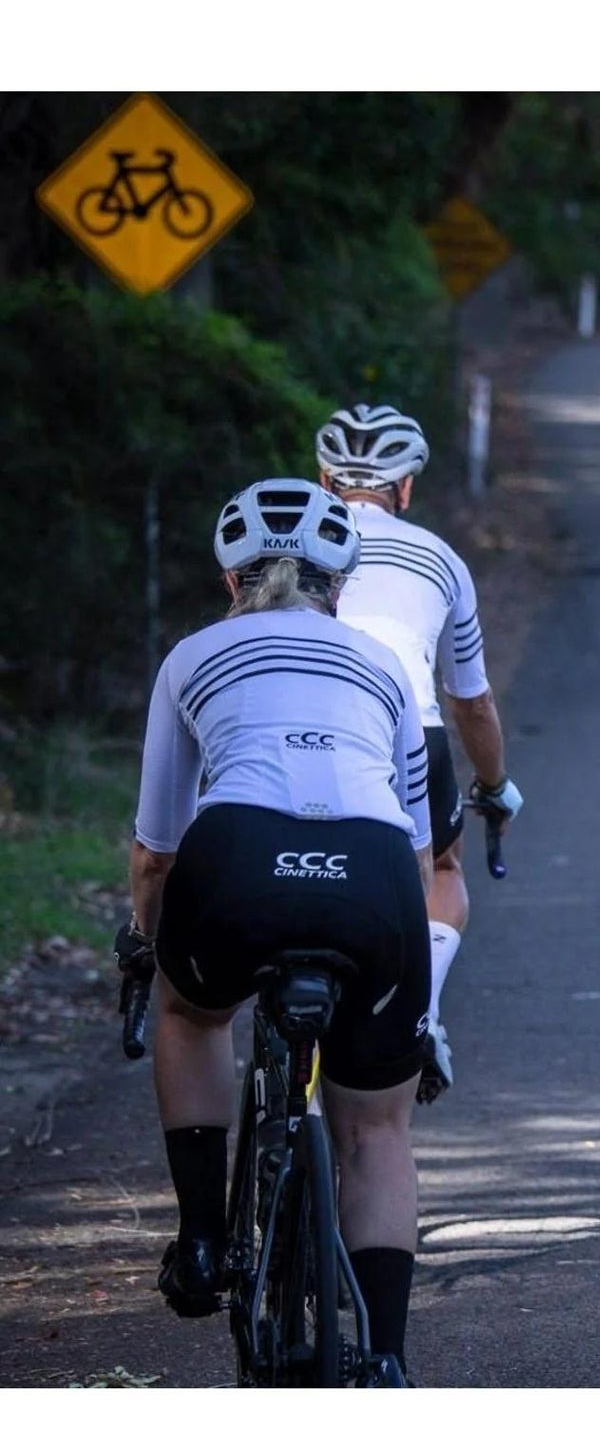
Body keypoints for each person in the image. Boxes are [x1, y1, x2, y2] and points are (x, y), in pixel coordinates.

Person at [118, 481, 435, 1380]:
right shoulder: (383, 666)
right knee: (377, 1130)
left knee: (192, 1014)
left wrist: (150, 946)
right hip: (375, 874)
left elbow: (156, 853)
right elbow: (419, 856)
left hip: (239, 860)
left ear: (231, 581)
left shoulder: (193, 656)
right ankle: (385, 1360)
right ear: (343, 585)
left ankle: (203, 1243)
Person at [316, 403, 523, 1100]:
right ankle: (420, 1010)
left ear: (323, 481)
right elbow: (472, 701)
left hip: (299, 728)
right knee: (441, 869)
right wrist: (493, 783)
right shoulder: (439, 558)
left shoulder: (290, 551)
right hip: (410, 727)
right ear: (405, 488)